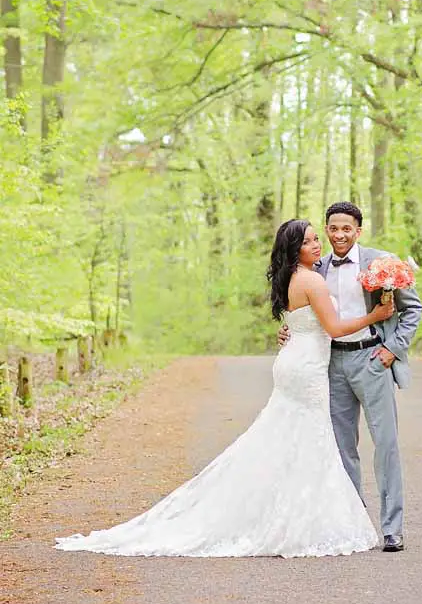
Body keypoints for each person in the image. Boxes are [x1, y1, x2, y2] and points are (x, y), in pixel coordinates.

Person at [55, 219, 394, 558]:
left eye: (316, 239)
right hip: (306, 368)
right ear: (295, 250)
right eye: (309, 242)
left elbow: (300, 323)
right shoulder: (312, 280)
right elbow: (334, 328)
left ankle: (293, 511)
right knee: (307, 439)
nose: (317, 245)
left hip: (295, 361)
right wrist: (375, 315)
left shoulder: (288, 278)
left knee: (289, 437)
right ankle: (297, 518)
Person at [278, 201, 422, 552]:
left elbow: (412, 309)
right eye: (332, 229)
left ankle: (392, 529)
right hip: (331, 364)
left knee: (385, 445)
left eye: (347, 229)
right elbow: (305, 314)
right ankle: (353, 524)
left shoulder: (381, 262)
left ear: (358, 230)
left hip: (373, 360)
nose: (339, 235)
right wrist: (288, 333)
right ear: (326, 231)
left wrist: (393, 349)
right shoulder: (316, 267)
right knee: (342, 449)